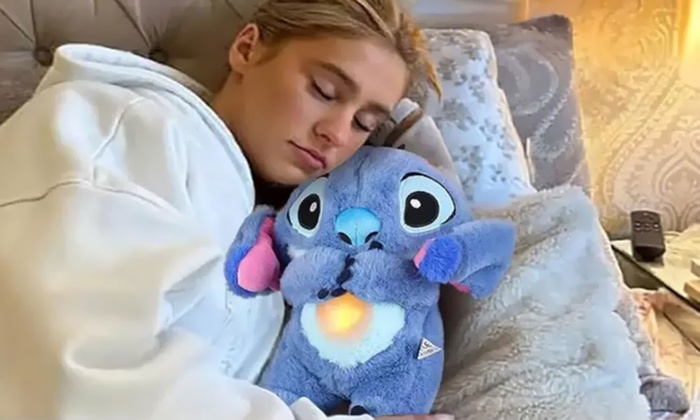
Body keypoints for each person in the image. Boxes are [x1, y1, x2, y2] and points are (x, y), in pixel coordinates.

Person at [0, 0, 452, 419]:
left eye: (363, 123)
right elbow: (82, 373)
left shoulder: (268, 234)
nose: (336, 133)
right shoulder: (115, 128)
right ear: (247, 48)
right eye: (324, 90)